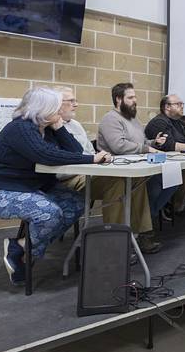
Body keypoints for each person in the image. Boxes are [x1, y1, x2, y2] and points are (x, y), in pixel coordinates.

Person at [0, 87, 111, 285]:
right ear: (42, 109)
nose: (61, 110)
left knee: (76, 202)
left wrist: (60, 129)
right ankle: (22, 254)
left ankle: (21, 248)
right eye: (56, 107)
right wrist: (93, 158)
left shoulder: (46, 130)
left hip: (28, 188)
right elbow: (46, 155)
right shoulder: (20, 128)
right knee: (50, 213)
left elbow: (74, 150)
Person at [54, 85, 161, 254]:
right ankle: (115, 243)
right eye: (71, 101)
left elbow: (89, 151)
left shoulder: (75, 124)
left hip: (92, 169)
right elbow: (116, 147)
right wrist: (94, 160)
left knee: (137, 179)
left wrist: (152, 143)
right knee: (119, 179)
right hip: (72, 176)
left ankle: (141, 233)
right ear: (55, 104)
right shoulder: (53, 127)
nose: (76, 104)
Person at [97, 83, 172, 235]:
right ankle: (120, 238)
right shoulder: (110, 119)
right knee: (146, 183)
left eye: (135, 96)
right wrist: (147, 148)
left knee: (163, 180)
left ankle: (141, 233)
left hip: (134, 169)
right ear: (118, 99)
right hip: (115, 171)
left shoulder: (133, 120)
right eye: (130, 97)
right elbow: (119, 146)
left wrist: (153, 142)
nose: (135, 100)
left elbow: (142, 142)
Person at [144, 94, 185, 214]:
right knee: (182, 176)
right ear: (167, 107)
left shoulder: (181, 124)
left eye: (182, 104)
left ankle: (172, 202)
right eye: (178, 104)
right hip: (165, 164)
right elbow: (170, 146)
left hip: (183, 161)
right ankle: (173, 205)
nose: (182, 107)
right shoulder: (159, 122)